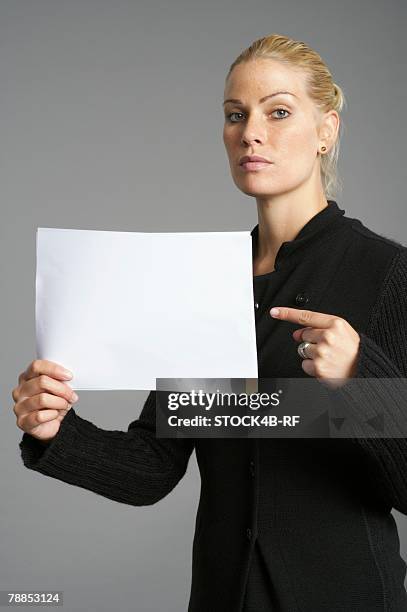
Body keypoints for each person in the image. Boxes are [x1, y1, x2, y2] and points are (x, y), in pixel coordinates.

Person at [13, 33, 407, 611]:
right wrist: (55, 431)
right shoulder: (197, 281)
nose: (250, 131)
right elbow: (152, 468)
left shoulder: (388, 273)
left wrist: (358, 378)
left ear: (327, 130)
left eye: (278, 112)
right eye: (234, 115)